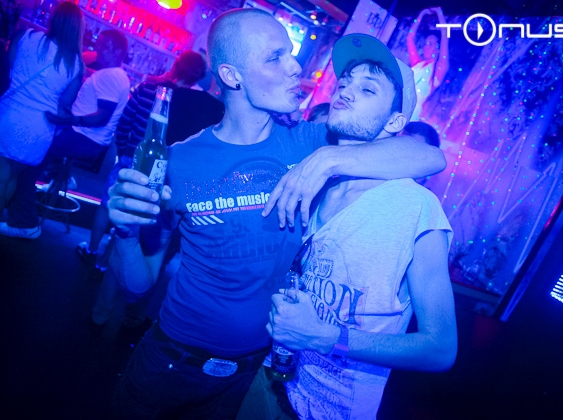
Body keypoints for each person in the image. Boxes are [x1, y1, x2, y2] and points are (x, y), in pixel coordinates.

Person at [106, 8, 446, 418]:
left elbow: (428, 156)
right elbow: (137, 286)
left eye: (290, 53)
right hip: (171, 364)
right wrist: (124, 235)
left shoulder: (313, 141)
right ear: (232, 76)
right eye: (275, 57)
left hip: (253, 374)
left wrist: (327, 160)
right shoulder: (180, 162)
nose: (295, 67)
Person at [238, 34, 457, 420]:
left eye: (368, 89)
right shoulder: (316, 184)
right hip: (267, 383)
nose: (346, 91)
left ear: (395, 121)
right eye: (345, 82)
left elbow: (440, 349)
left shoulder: (415, 207)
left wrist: (329, 337)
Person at [85, 50, 223, 338]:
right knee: (155, 259)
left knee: (126, 244)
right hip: (182, 197)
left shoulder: (174, 96)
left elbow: (149, 136)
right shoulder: (218, 114)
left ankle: (100, 313)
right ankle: (132, 319)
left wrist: (129, 155)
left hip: (153, 183)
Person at [0, 28, 130, 239]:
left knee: (27, 164)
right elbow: (84, 59)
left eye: (104, 45)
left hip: (84, 137)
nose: (97, 47)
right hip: (84, 136)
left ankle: (25, 224)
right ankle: (61, 175)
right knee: (34, 152)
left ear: (117, 52)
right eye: (98, 43)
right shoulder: (115, 74)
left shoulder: (111, 76)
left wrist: (70, 119)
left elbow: (102, 116)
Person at [0, 1, 84, 231]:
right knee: (11, 177)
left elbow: (8, 70)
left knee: (2, 175)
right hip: (39, 128)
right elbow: (65, 103)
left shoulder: (25, 36)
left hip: (10, 115)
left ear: (52, 18)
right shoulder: (76, 64)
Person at [406, 6, 449, 121]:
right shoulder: (418, 64)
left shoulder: (439, 69)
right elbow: (409, 38)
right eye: (425, 43)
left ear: (438, 49)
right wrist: (422, 13)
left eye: (431, 44)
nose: (426, 46)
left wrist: (440, 14)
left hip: (410, 114)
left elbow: (445, 36)